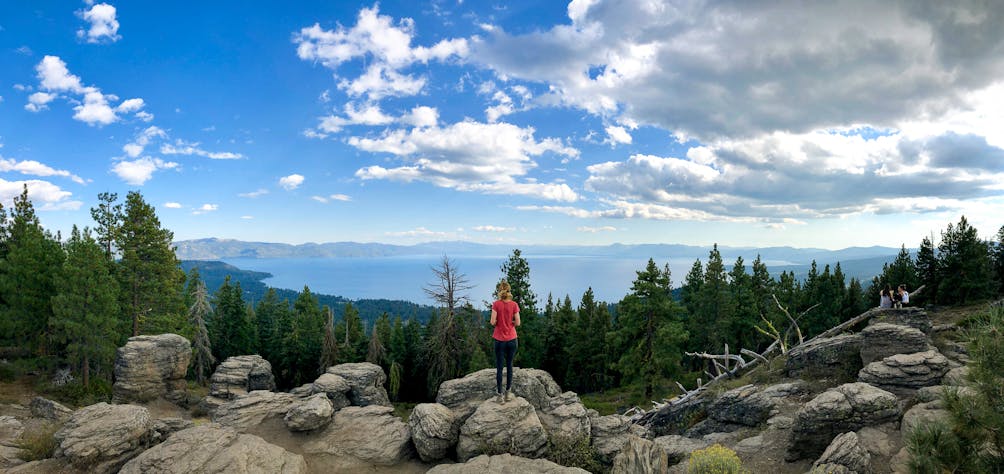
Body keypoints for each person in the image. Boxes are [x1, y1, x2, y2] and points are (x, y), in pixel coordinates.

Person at [490, 280, 520, 404]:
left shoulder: (496, 304)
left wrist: (500, 323)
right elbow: (518, 322)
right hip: (512, 339)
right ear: (509, 290)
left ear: (500, 291)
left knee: (499, 367)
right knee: (509, 366)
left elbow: (492, 322)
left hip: (499, 339)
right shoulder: (514, 305)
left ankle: (500, 396)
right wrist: (510, 323)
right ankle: (508, 393)